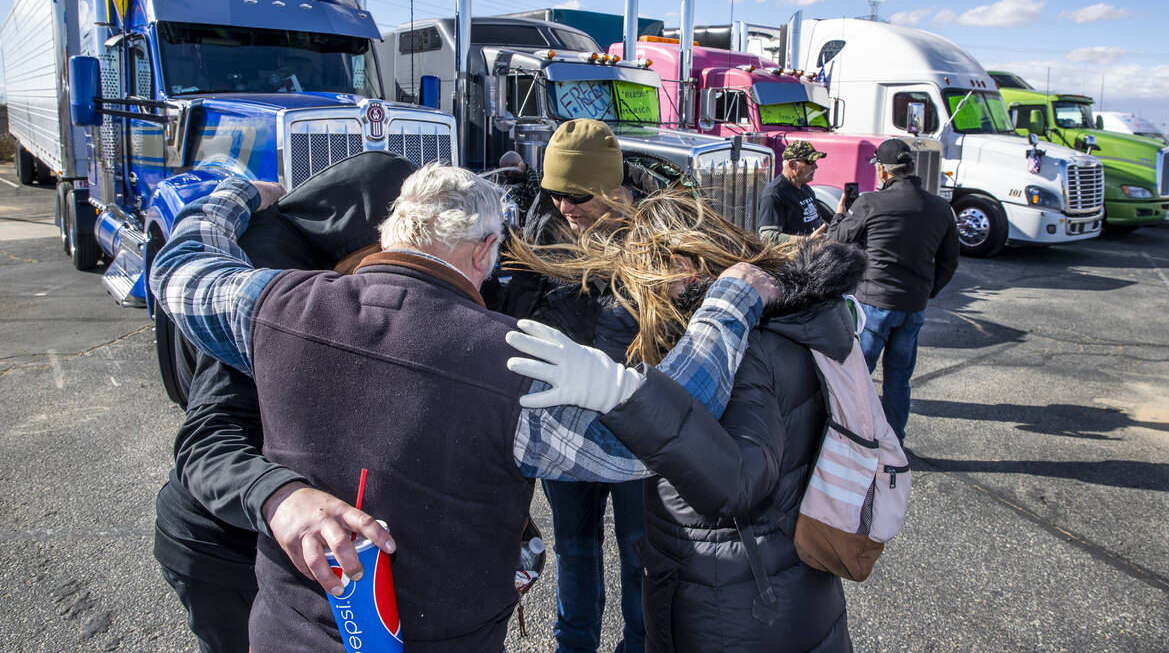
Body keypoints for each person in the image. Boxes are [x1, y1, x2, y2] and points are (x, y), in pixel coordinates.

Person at [150, 162, 775, 653]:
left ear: (392, 233)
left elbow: (179, 272)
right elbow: (659, 430)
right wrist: (729, 303)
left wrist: (235, 194)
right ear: (484, 252)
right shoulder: (512, 366)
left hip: (285, 632)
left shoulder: (277, 307)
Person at [505, 190, 868, 652]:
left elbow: (734, 482)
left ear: (682, 265)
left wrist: (625, 397)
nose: (646, 300)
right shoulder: (780, 317)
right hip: (767, 590)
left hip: (737, 607)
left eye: (648, 282)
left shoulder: (747, 346)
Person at [154, 151, 418, 653]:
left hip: (307, 549)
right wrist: (280, 495)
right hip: (223, 544)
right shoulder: (282, 302)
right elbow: (207, 441)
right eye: (386, 256)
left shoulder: (353, 288)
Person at [494, 119, 663, 653]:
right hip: (561, 417)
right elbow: (513, 315)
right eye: (555, 193)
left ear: (616, 190)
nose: (566, 207)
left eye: (577, 195)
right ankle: (574, 645)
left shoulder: (661, 235)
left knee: (641, 547)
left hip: (637, 419)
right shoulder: (538, 229)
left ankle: (639, 645)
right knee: (573, 543)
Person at [826, 137, 959, 444]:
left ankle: (853, 436)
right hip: (913, 306)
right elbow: (950, 262)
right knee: (899, 378)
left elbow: (836, 238)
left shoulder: (870, 202)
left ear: (884, 172)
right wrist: (927, 292)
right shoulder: (940, 208)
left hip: (874, 304)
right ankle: (894, 441)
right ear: (911, 168)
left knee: (859, 376)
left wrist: (839, 213)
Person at [757, 140, 829, 242]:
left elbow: (817, 221)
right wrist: (807, 240)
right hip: (790, 257)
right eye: (810, 162)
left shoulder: (806, 189)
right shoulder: (773, 194)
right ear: (792, 165)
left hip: (810, 254)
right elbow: (767, 237)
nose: (815, 166)